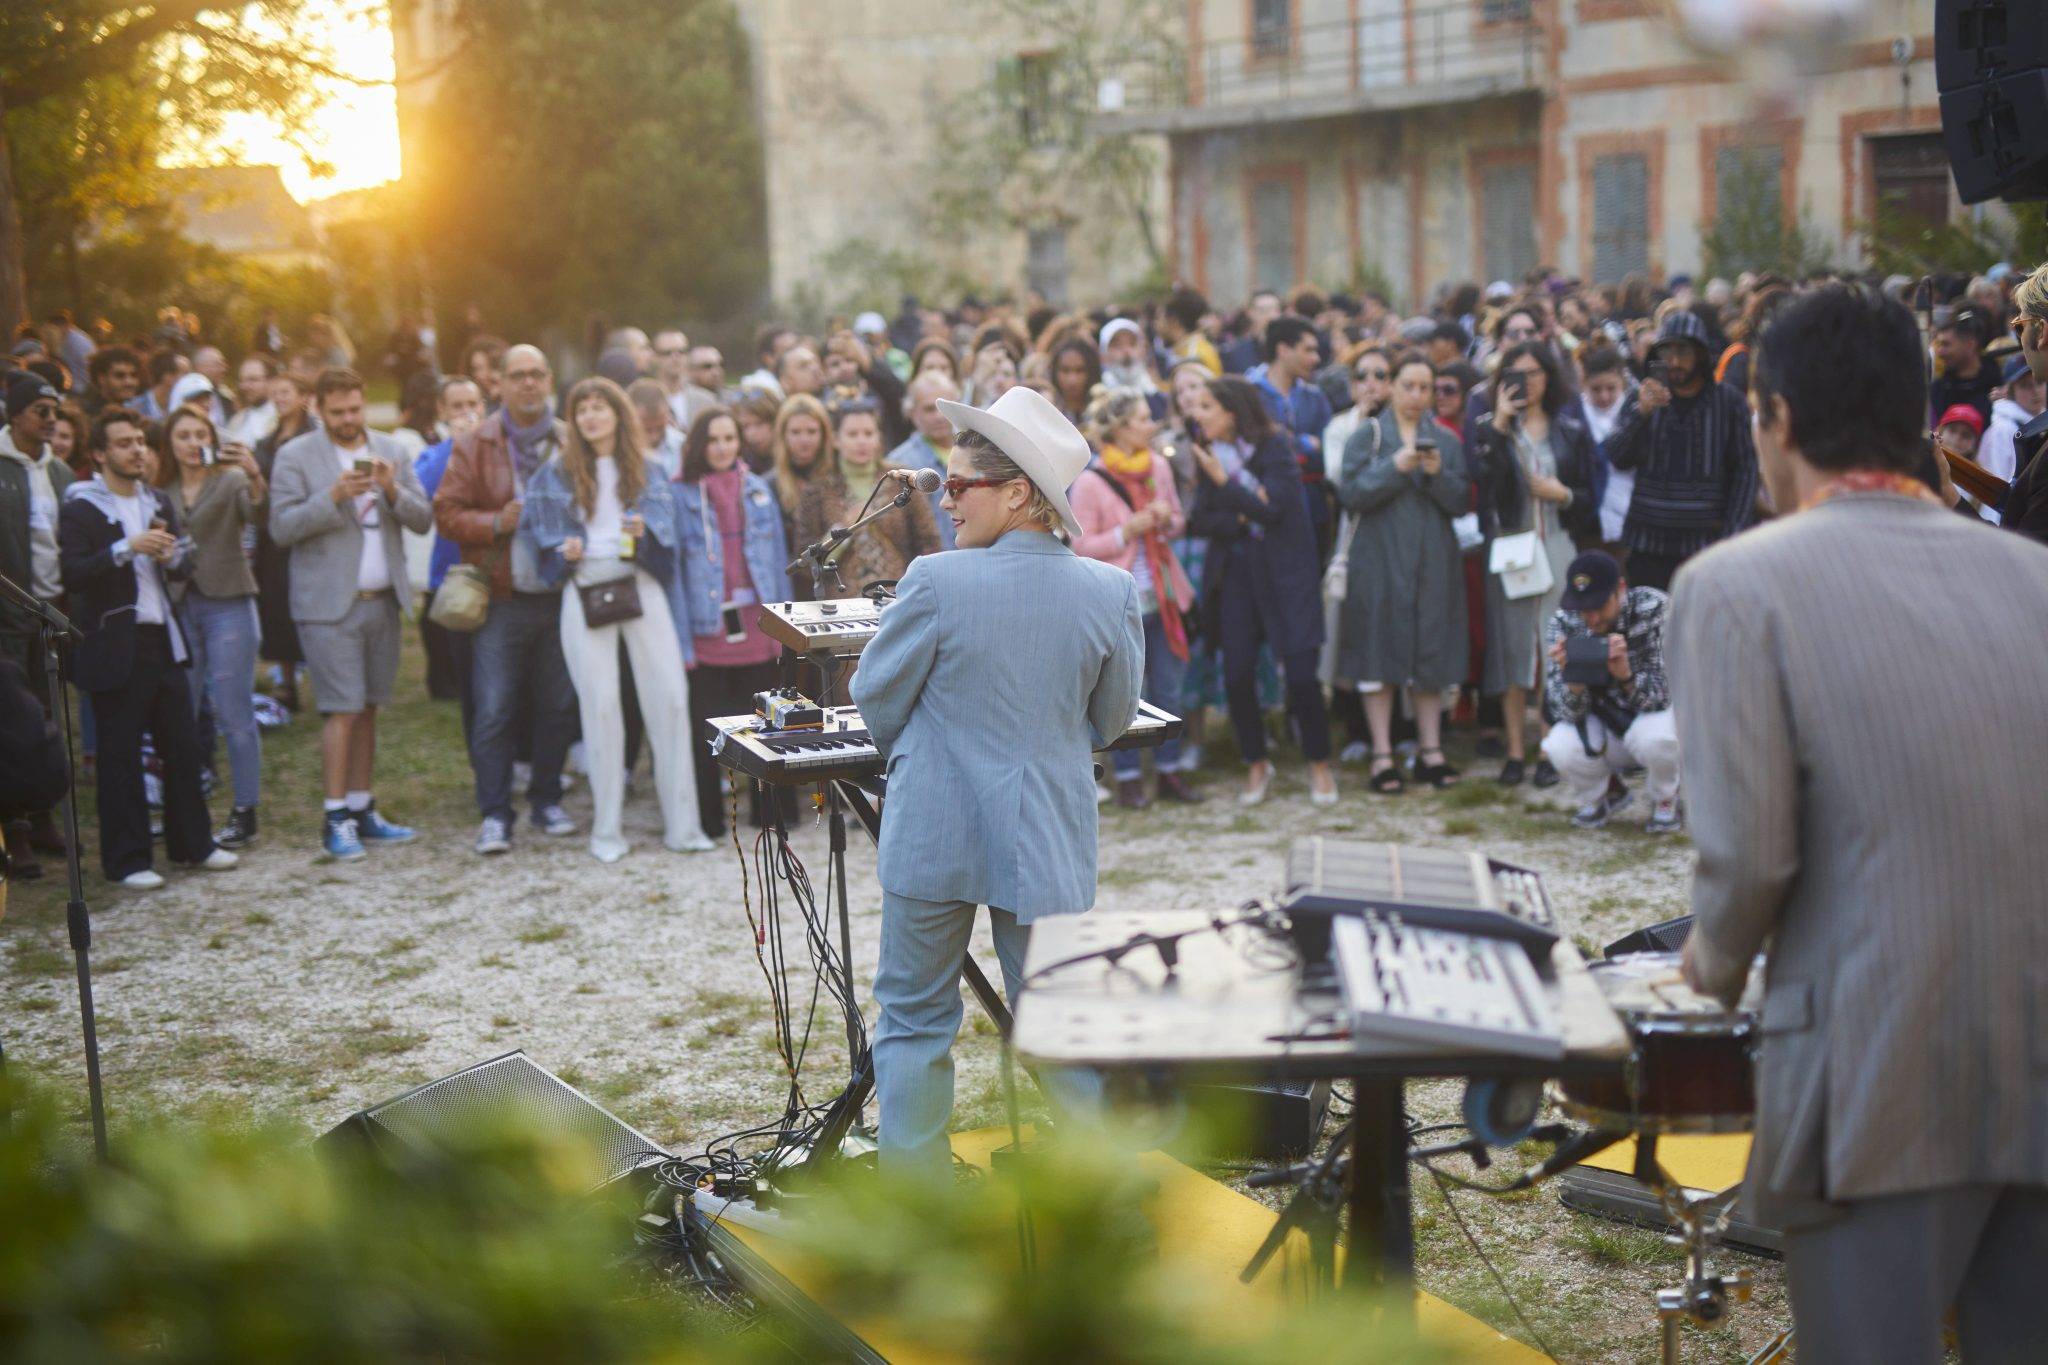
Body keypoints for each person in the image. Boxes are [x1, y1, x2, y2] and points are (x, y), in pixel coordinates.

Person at [1674, 284, 2048, 1362]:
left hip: (1874, 1066)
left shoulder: (1734, 586)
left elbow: (1748, 860)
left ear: (1779, 419)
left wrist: (1700, 975)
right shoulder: (2034, 577)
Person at [850, 383, 1143, 1174]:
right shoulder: (1111, 590)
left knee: (914, 1018)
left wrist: (924, 756)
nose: (944, 500)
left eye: (957, 485)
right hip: (1046, 830)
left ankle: (917, 1196)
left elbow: (875, 696)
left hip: (932, 828)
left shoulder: (934, 580)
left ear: (1017, 493)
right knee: (1058, 1021)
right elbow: (1113, 720)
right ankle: (1093, 1195)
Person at [520, 377, 711, 863]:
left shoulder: (649, 469)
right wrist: (563, 552)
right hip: (585, 586)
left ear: (618, 413)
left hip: (640, 583)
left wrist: (645, 536)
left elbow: (668, 554)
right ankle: (607, 831)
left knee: (670, 699)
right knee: (600, 706)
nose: (590, 416)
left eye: (599, 406)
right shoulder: (554, 474)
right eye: (581, 408)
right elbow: (539, 548)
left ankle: (683, 826)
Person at [59, 409, 237, 888]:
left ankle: (193, 845)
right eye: (124, 443)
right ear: (99, 454)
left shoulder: (156, 499)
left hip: (163, 636)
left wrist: (174, 555)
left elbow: (182, 566)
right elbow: (73, 573)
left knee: (182, 746)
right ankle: (129, 861)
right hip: (116, 643)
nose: (137, 450)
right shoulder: (81, 507)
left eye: (140, 441)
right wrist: (126, 547)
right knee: (120, 756)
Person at [268, 368, 432, 859]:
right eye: (337, 412)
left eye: (355, 409)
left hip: (382, 601)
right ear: (318, 409)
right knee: (341, 709)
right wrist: (333, 497)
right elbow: (281, 528)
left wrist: (392, 490)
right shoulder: (295, 455)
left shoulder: (392, 449)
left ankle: (362, 808)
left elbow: (423, 519)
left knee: (368, 709)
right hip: (327, 607)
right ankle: (335, 816)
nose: (347, 419)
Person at [433, 345, 581, 855]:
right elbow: (445, 513)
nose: (528, 383)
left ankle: (547, 800)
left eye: (537, 374)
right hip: (501, 597)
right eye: (518, 375)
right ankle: (495, 814)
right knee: (494, 708)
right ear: (499, 383)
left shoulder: (570, 440)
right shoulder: (475, 442)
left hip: (561, 595)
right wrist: (497, 520)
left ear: (549, 379)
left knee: (558, 705)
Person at [1186, 375, 1336, 806]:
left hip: (1286, 573)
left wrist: (1227, 485)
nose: (1197, 414)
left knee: (1302, 674)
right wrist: (1242, 513)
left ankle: (1319, 763)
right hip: (1236, 574)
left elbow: (1275, 511)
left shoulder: (1274, 447)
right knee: (1236, 674)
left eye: (1207, 407)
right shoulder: (1208, 452)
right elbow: (1200, 519)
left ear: (1232, 412)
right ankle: (1255, 761)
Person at [1336, 352, 1469, 793]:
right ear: (1392, 386)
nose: (1416, 395)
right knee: (1378, 650)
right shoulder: (1368, 436)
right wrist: (1395, 467)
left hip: (1433, 562)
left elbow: (1461, 502)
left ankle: (1431, 751)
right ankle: (1382, 754)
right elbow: (1351, 494)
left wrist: (1436, 473)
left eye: (1425, 387)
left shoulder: (1445, 440)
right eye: (1408, 385)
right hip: (1378, 560)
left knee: (1430, 651)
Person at [1471, 343, 1597, 785]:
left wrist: (1563, 494)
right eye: (1516, 373)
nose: (1526, 382)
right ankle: (1513, 750)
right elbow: (1484, 482)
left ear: (1550, 377)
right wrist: (1501, 425)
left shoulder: (1570, 430)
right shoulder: (1489, 428)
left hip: (1557, 544)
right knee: (1512, 647)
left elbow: (1589, 497)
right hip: (1512, 547)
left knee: (1554, 646)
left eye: (1535, 373)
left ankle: (1549, 745)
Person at [1072, 386, 1200, 808]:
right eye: (1143, 419)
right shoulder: (1090, 481)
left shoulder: (1157, 467)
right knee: (1124, 693)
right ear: (1121, 427)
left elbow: (1178, 520)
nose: (1151, 425)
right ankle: (1127, 776)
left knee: (1168, 686)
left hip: (1162, 594)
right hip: (1119, 602)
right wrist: (1126, 532)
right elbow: (1080, 547)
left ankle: (1169, 770)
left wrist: (1165, 520)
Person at [671, 406, 792, 838]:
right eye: (713, 439)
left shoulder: (757, 488)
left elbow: (777, 562)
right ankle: (710, 820)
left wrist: (783, 628)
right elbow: (676, 575)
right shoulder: (679, 494)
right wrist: (682, 642)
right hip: (706, 628)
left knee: (766, 728)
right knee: (705, 730)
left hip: (755, 625)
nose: (722, 447)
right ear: (698, 444)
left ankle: (772, 815)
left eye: (729, 438)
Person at [158, 405, 267, 849]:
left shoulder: (230, 479)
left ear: (212, 438)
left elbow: (258, 514)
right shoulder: (159, 489)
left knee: (232, 711)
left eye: (199, 434)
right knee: (179, 710)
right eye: (182, 435)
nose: (192, 442)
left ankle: (245, 809)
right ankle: (184, 807)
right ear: (169, 443)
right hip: (178, 605)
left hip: (228, 603)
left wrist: (254, 474)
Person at [1605, 311, 1759, 591]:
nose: (1674, 361)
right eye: (1667, 351)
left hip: (1706, 545)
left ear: (1700, 354)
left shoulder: (1728, 402)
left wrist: (1732, 535)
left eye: (1683, 351)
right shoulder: (1641, 398)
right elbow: (1617, 457)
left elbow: (1745, 472)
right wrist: (1642, 414)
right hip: (1648, 547)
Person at [1535, 550, 1678, 831]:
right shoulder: (1564, 622)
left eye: (1599, 606)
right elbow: (1563, 714)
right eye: (1582, 608)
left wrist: (1627, 676)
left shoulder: (1655, 608)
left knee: (1658, 738)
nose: (1592, 617)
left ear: (1620, 589)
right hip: (1603, 722)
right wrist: (1574, 680)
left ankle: (1665, 797)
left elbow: (1667, 696)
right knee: (1558, 744)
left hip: (1655, 720)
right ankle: (1604, 793)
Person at [0, 373, 73, 874]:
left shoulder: (60, 471)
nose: (51, 419)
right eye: (41, 410)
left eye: (55, 411)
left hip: (50, 614)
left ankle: (45, 817)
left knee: (48, 718)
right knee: (10, 725)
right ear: (16, 414)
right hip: (7, 616)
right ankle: (15, 830)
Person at [792, 399, 940, 599]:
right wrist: (842, 528)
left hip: (898, 596)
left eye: (868, 433)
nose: (861, 441)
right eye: (852, 434)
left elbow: (929, 543)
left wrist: (915, 588)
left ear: (879, 438)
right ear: (835, 439)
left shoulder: (902, 480)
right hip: (842, 602)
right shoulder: (817, 489)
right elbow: (805, 563)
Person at [411, 375, 488, 722]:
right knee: (463, 668)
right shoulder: (433, 455)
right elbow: (424, 492)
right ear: (442, 411)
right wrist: (456, 447)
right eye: (457, 406)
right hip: (452, 573)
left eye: (472, 404)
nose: (466, 413)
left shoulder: (500, 449)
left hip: (494, 569)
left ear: (483, 407)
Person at [251, 370, 313, 712]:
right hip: (272, 536)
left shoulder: (314, 437)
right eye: (275, 392)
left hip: (305, 531)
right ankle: (287, 681)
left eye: (286, 391)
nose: (279, 398)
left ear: (304, 397)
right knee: (278, 607)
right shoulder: (267, 441)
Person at [1248, 315, 1335, 547]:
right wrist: (1304, 444)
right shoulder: (1250, 395)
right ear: (1284, 349)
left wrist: (1288, 445)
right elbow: (1254, 453)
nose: (1316, 358)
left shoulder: (1315, 397)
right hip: (1265, 510)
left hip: (1312, 509)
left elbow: (1327, 453)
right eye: (1308, 350)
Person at [886, 372, 962, 549]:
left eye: (944, 407)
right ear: (911, 413)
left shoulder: (976, 451)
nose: (939, 416)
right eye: (929, 409)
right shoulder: (899, 463)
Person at [1578, 345, 1634, 551]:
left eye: (1611, 388)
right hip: (1588, 521)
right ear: (1584, 384)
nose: (1604, 396)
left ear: (1622, 383)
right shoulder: (1573, 416)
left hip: (1630, 515)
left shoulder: (1634, 412)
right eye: (1595, 389)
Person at [1927, 306, 1996, 427]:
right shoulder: (1937, 391)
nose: (1939, 351)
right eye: (1939, 344)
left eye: (1946, 345)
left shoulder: (1996, 386)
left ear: (1970, 345)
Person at [223, 353, 279, 449]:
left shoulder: (283, 419)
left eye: (253, 380)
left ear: (271, 381)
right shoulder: (237, 420)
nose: (245, 386)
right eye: (242, 380)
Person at [731, 387, 781, 477]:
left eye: (759, 424)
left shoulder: (790, 455)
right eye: (745, 426)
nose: (752, 433)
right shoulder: (737, 458)